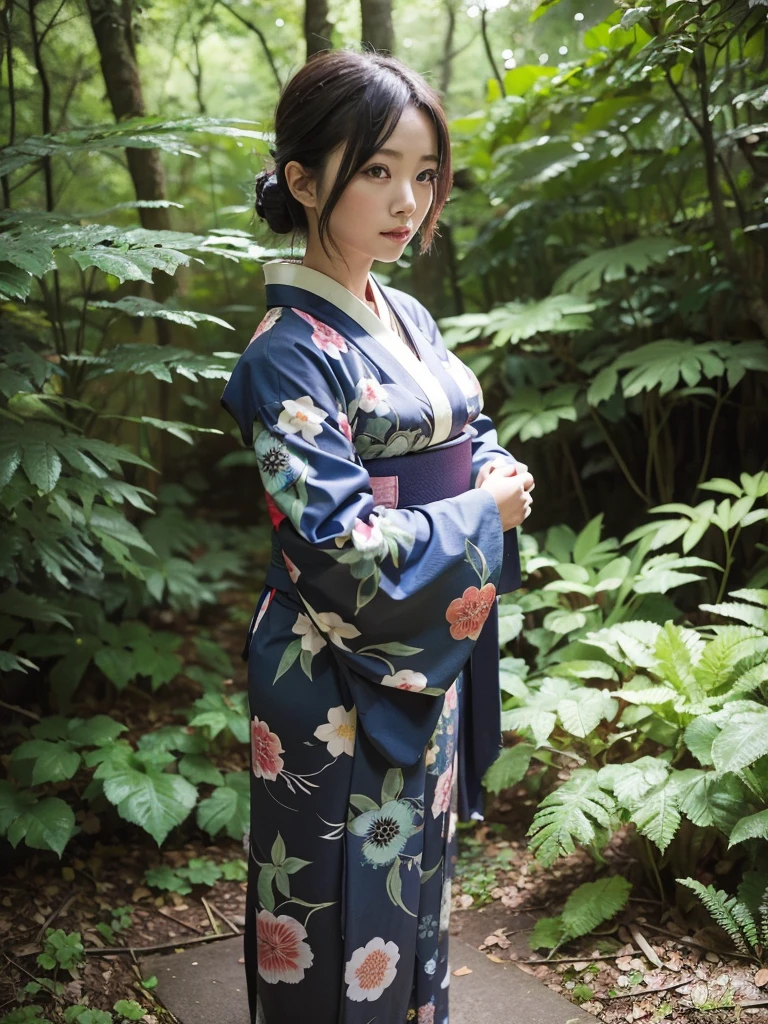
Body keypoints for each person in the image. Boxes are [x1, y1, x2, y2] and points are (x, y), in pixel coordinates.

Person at [220, 47, 534, 1024]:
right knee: (328, 909)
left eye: (423, 173)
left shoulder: (402, 312)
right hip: (333, 666)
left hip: (415, 659)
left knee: (412, 896)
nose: (408, 200)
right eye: (377, 170)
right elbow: (338, 540)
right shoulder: (285, 358)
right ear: (305, 179)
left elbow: (462, 422)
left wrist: (491, 467)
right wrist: (482, 516)